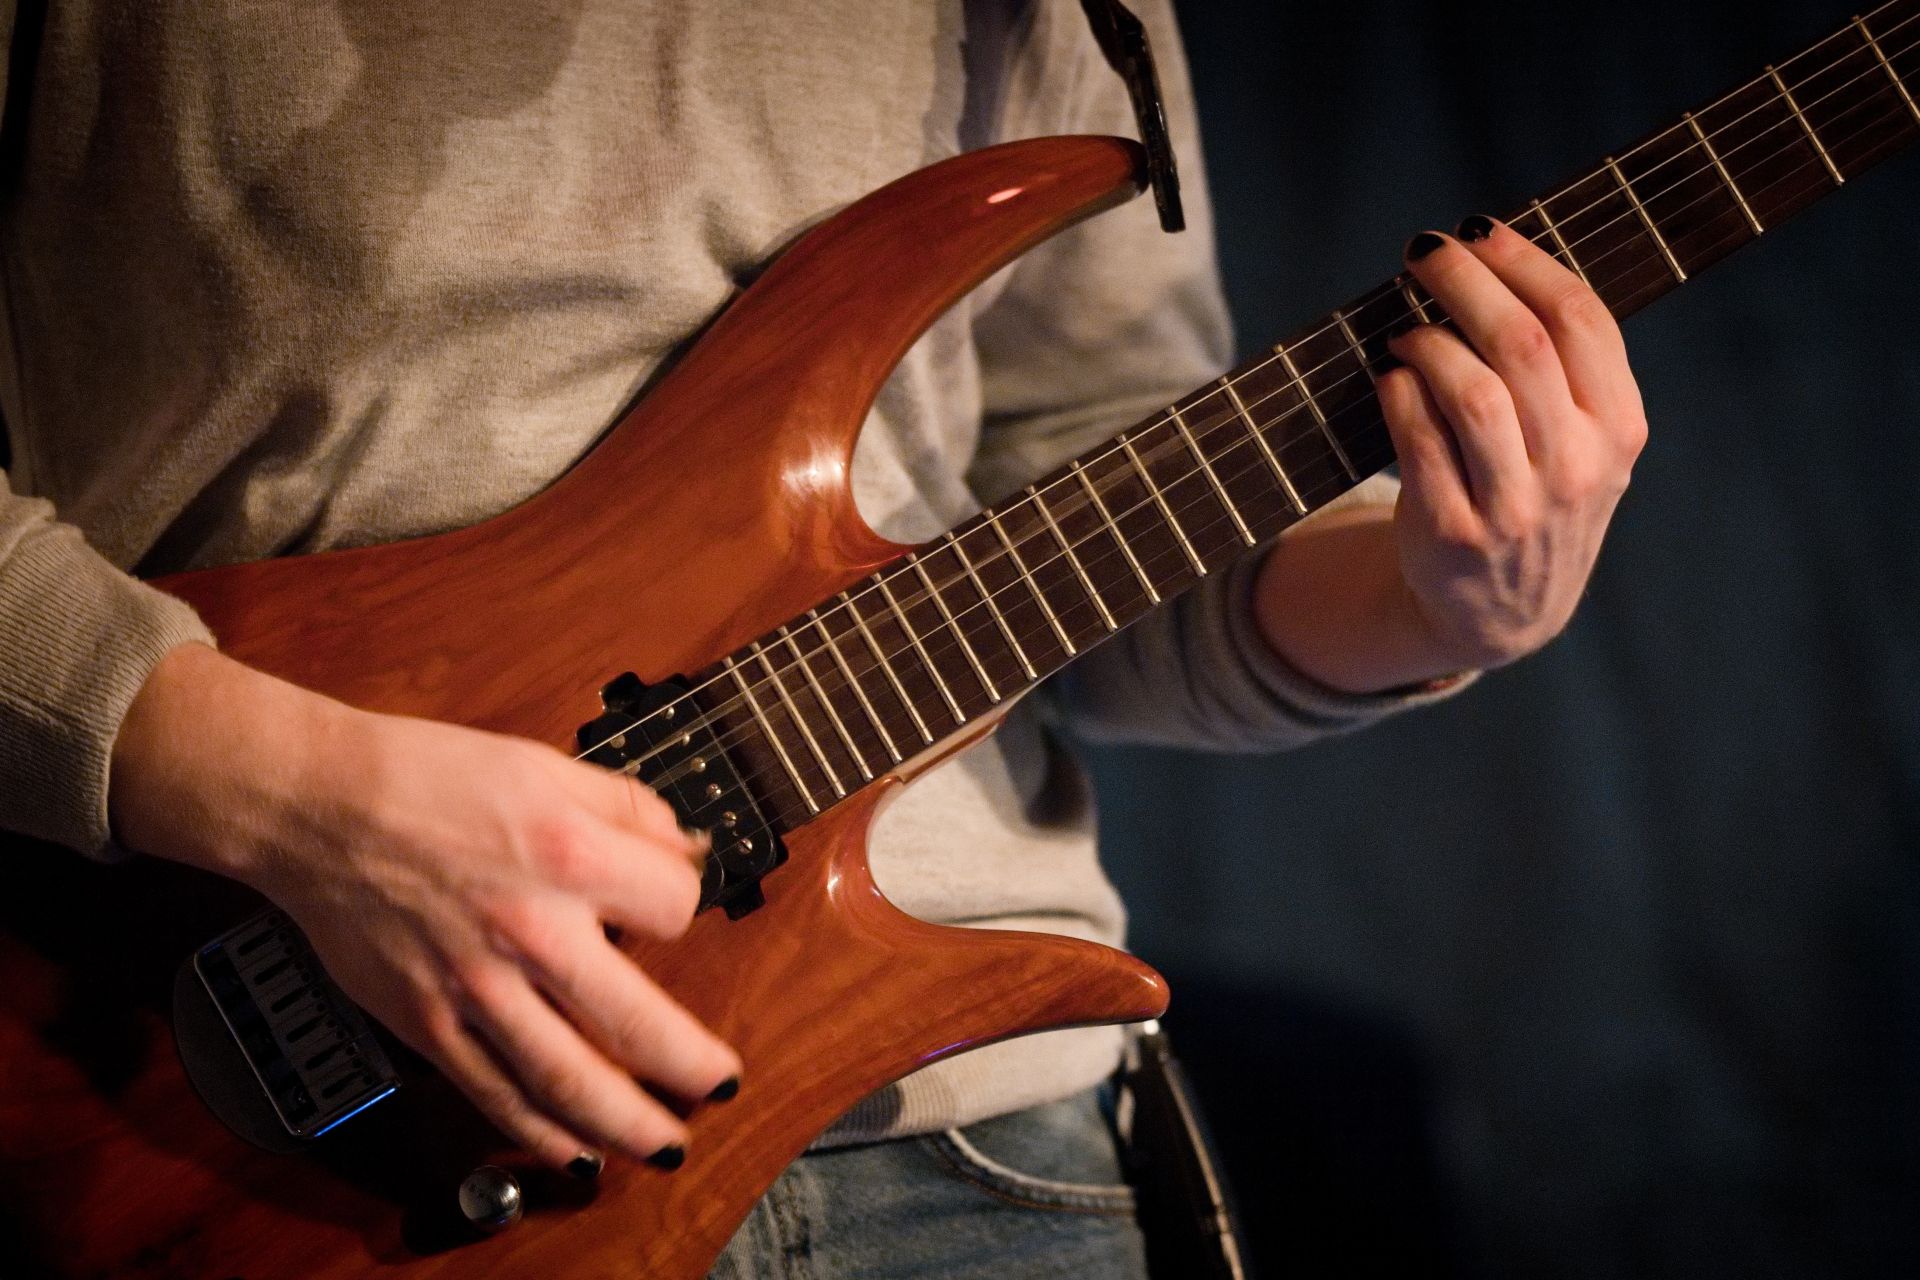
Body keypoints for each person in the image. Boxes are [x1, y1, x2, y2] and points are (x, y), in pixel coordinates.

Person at [0, 2, 1645, 1275]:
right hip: (260, 1128)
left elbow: (1087, 510)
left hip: (977, 1157)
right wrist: (288, 793)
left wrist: (1430, 600)